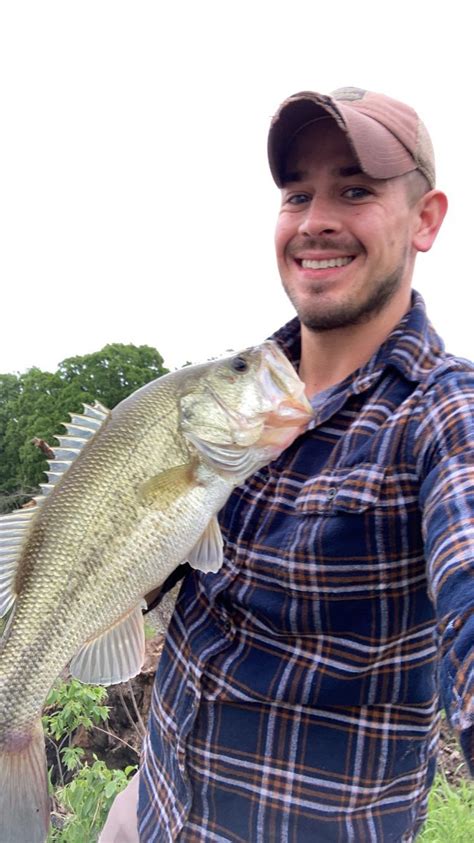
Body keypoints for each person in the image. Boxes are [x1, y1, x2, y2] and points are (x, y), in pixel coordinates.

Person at [101, 87, 473, 842]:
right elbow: (144, 573)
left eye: (355, 190)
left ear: (425, 219)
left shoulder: (442, 413)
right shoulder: (236, 396)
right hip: (155, 806)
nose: (315, 220)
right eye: (296, 193)